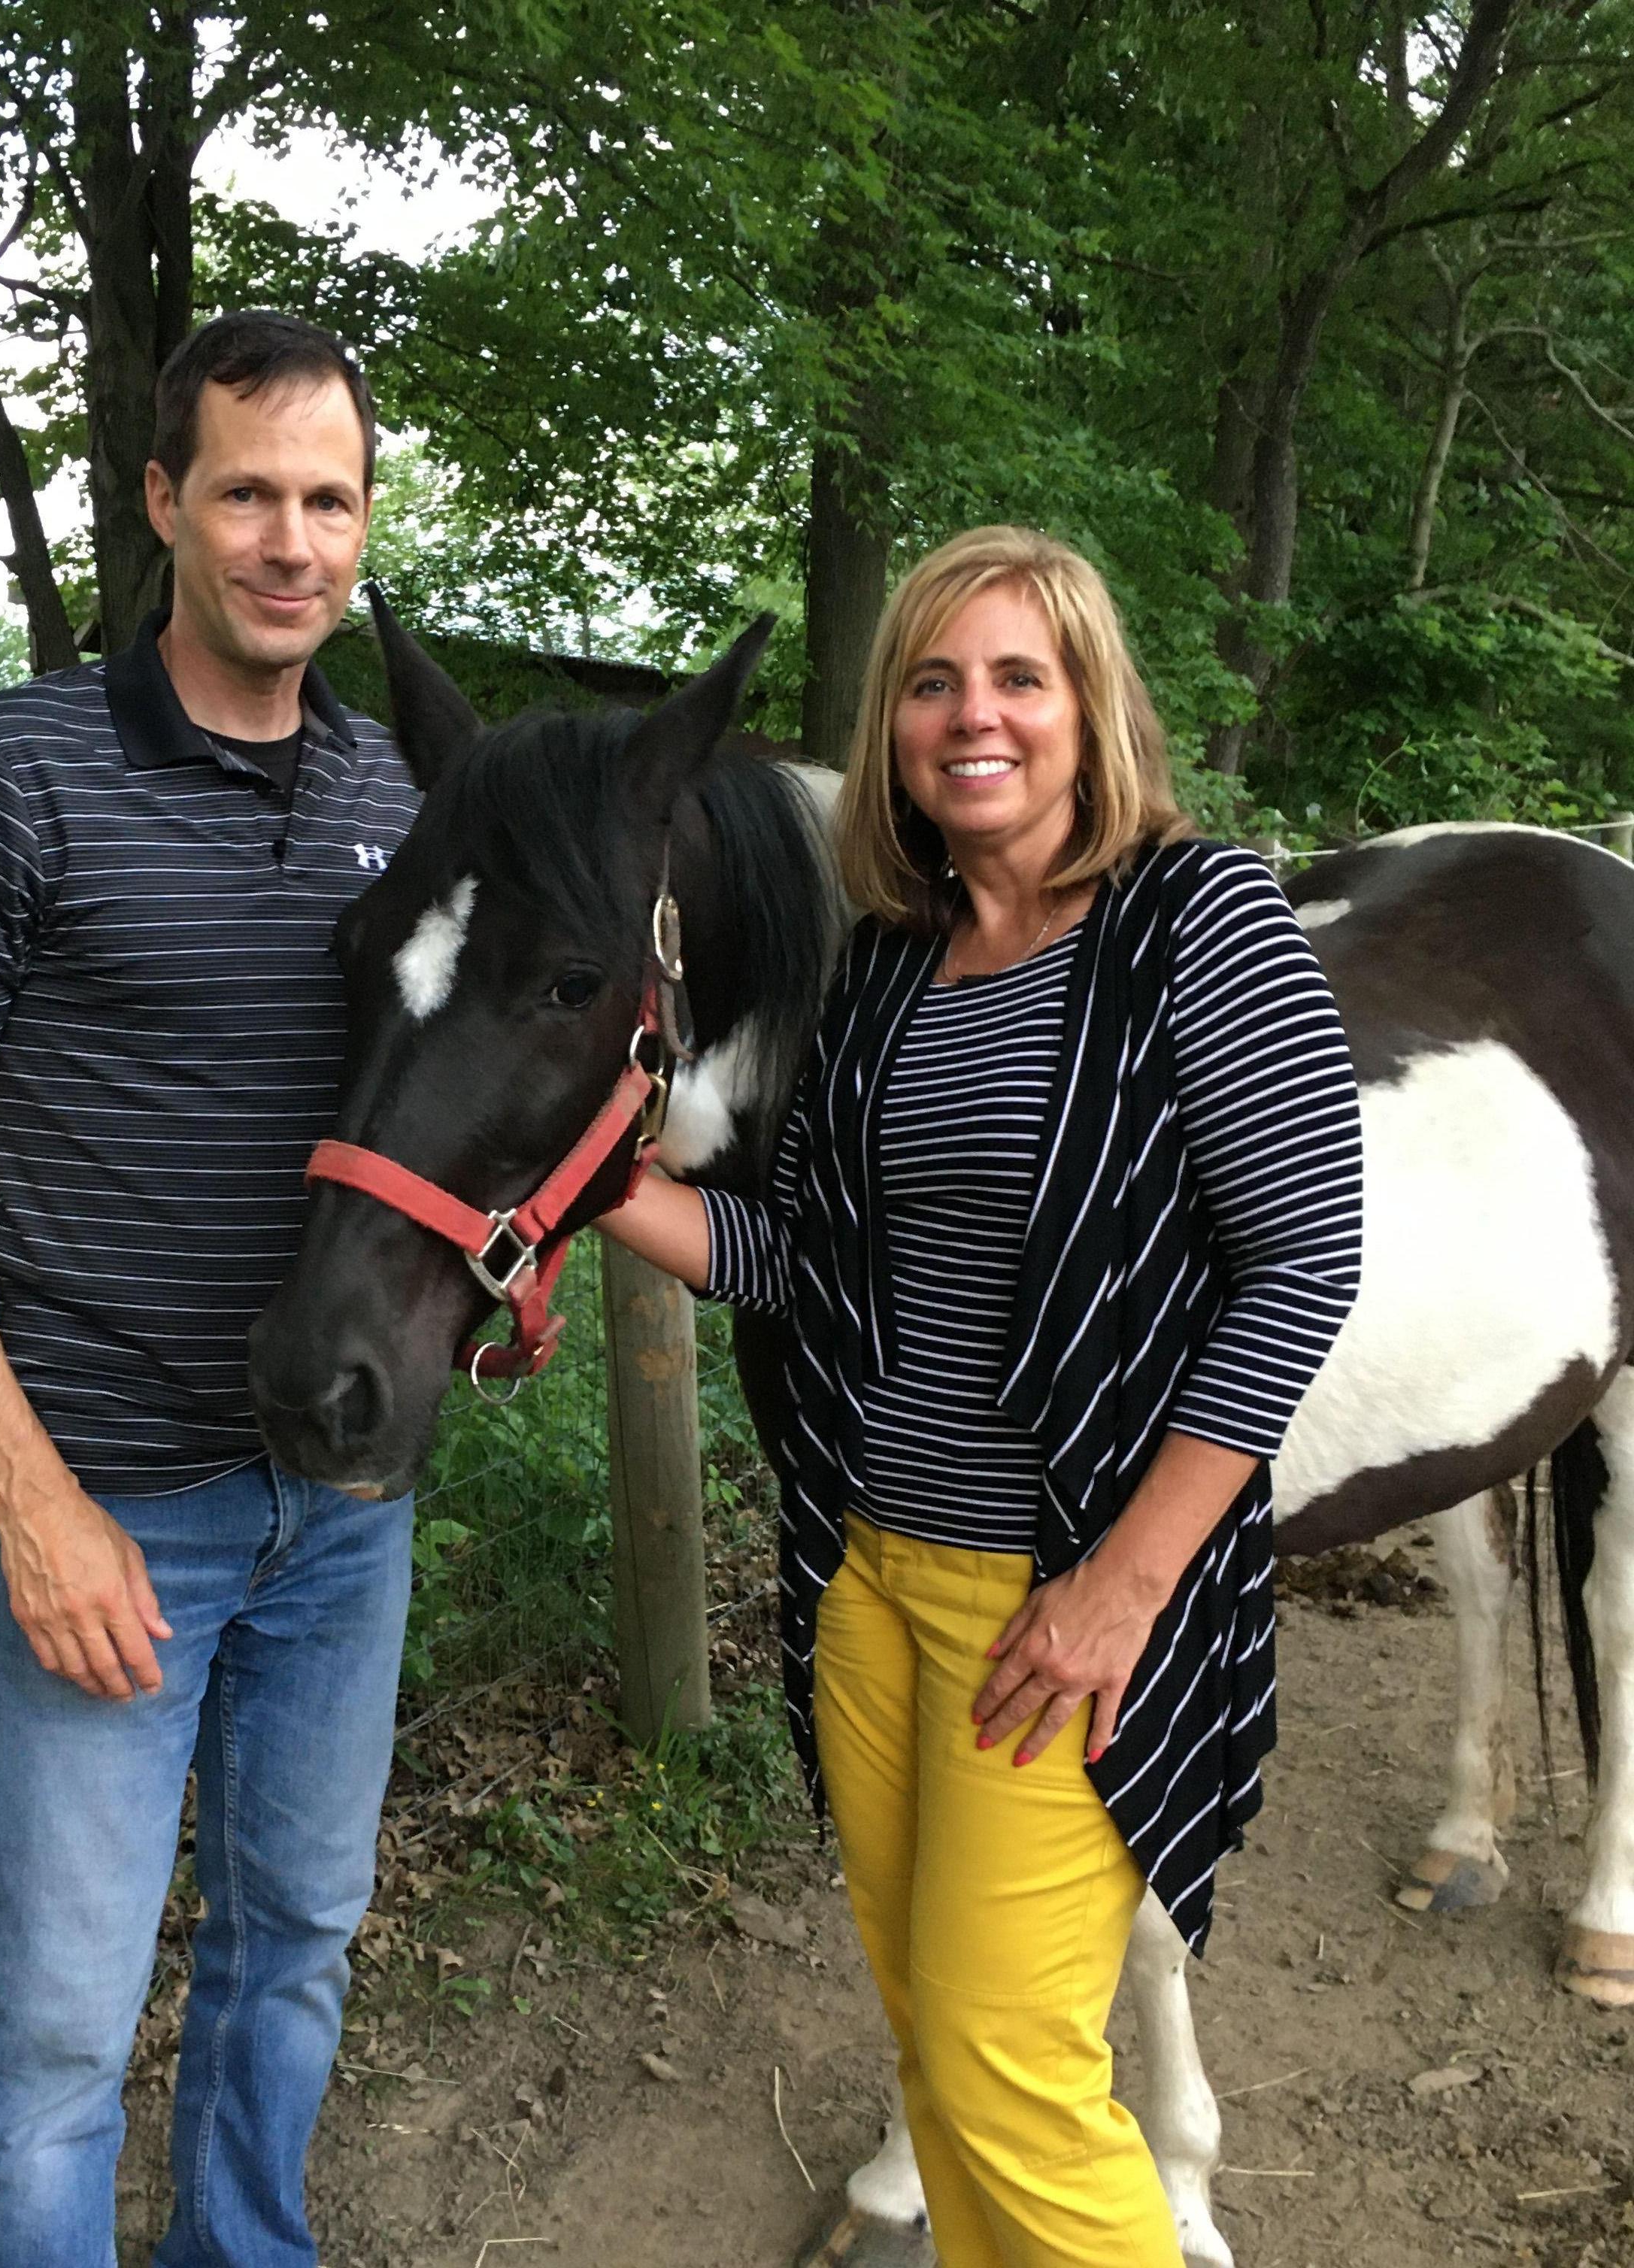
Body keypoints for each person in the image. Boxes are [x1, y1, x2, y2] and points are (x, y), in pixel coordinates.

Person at [601, 525, 1363, 2266]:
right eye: (933, 683)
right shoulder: (888, 957)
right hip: (866, 1580)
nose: (973, 715)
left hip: (1056, 1603)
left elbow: (1300, 1261)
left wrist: (1121, 1589)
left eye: (1018, 676)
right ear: (891, 727)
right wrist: (595, 1187)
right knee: (934, 2055)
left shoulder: (1196, 918)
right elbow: (807, 1263)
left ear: (1090, 707)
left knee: (1002, 2070)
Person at [0, 310, 419, 2268]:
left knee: (295, 1946)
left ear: (364, 519)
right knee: (61, 2025)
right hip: (109, 1514)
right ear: (164, 501)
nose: (289, 542)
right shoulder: (11, 775)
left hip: (340, 1508)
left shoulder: (401, 799)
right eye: (245, 493)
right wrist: (32, 1501)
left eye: (326, 499)